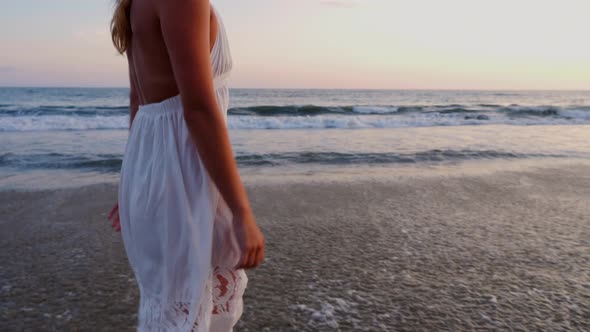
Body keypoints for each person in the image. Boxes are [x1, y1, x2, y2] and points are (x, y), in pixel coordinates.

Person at [106, 0, 265, 330]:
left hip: (158, 167)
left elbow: (140, 99)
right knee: (185, 308)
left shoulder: (134, 4)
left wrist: (134, 184)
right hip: (182, 173)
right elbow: (198, 110)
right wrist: (241, 212)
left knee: (174, 307)